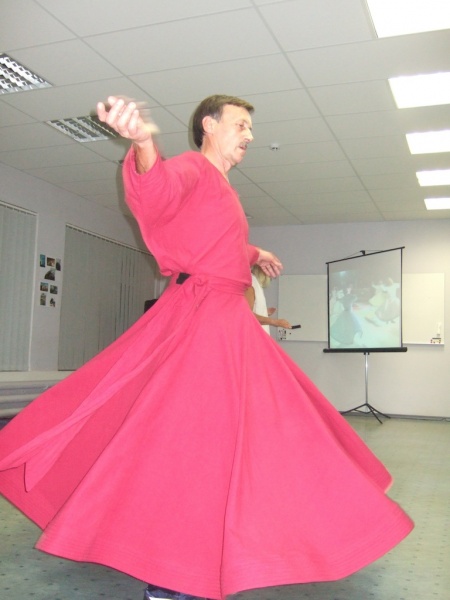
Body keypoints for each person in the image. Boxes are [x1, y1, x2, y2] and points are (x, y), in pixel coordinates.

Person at [0, 94, 413, 600]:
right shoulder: (194, 168)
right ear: (209, 125)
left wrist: (254, 252)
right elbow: (157, 192)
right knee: (195, 441)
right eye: (240, 124)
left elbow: (211, 241)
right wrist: (143, 143)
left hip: (223, 318)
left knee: (266, 425)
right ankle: (171, 574)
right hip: (205, 318)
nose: (249, 135)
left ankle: (244, 543)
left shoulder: (223, 189)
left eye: (250, 127)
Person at [245, 264, 291, 333]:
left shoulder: (256, 284)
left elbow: (251, 310)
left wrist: (264, 312)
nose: (271, 277)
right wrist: (275, 322)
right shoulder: (250, 283)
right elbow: (247, 315)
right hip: (253, 336)